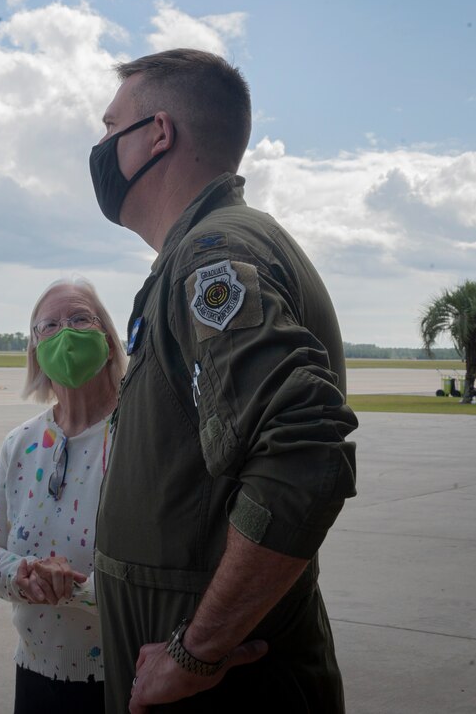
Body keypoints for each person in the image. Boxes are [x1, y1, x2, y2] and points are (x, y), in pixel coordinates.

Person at [89, 49, 359, 712]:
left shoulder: (214, 257)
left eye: (109, 126)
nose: (99, 148)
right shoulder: (199, 251)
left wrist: (195, 649)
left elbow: (303, 457)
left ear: (157, 132)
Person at [0, 278, 126, 713]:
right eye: (49, 326)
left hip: (123, 675)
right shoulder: (21, 444)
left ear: (109, 341)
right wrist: (24, 574)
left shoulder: (139, 436)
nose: (66, 333)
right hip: (36, 675)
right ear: (35, 351)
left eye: (80, 318)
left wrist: (71, 590)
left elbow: (160, 578)